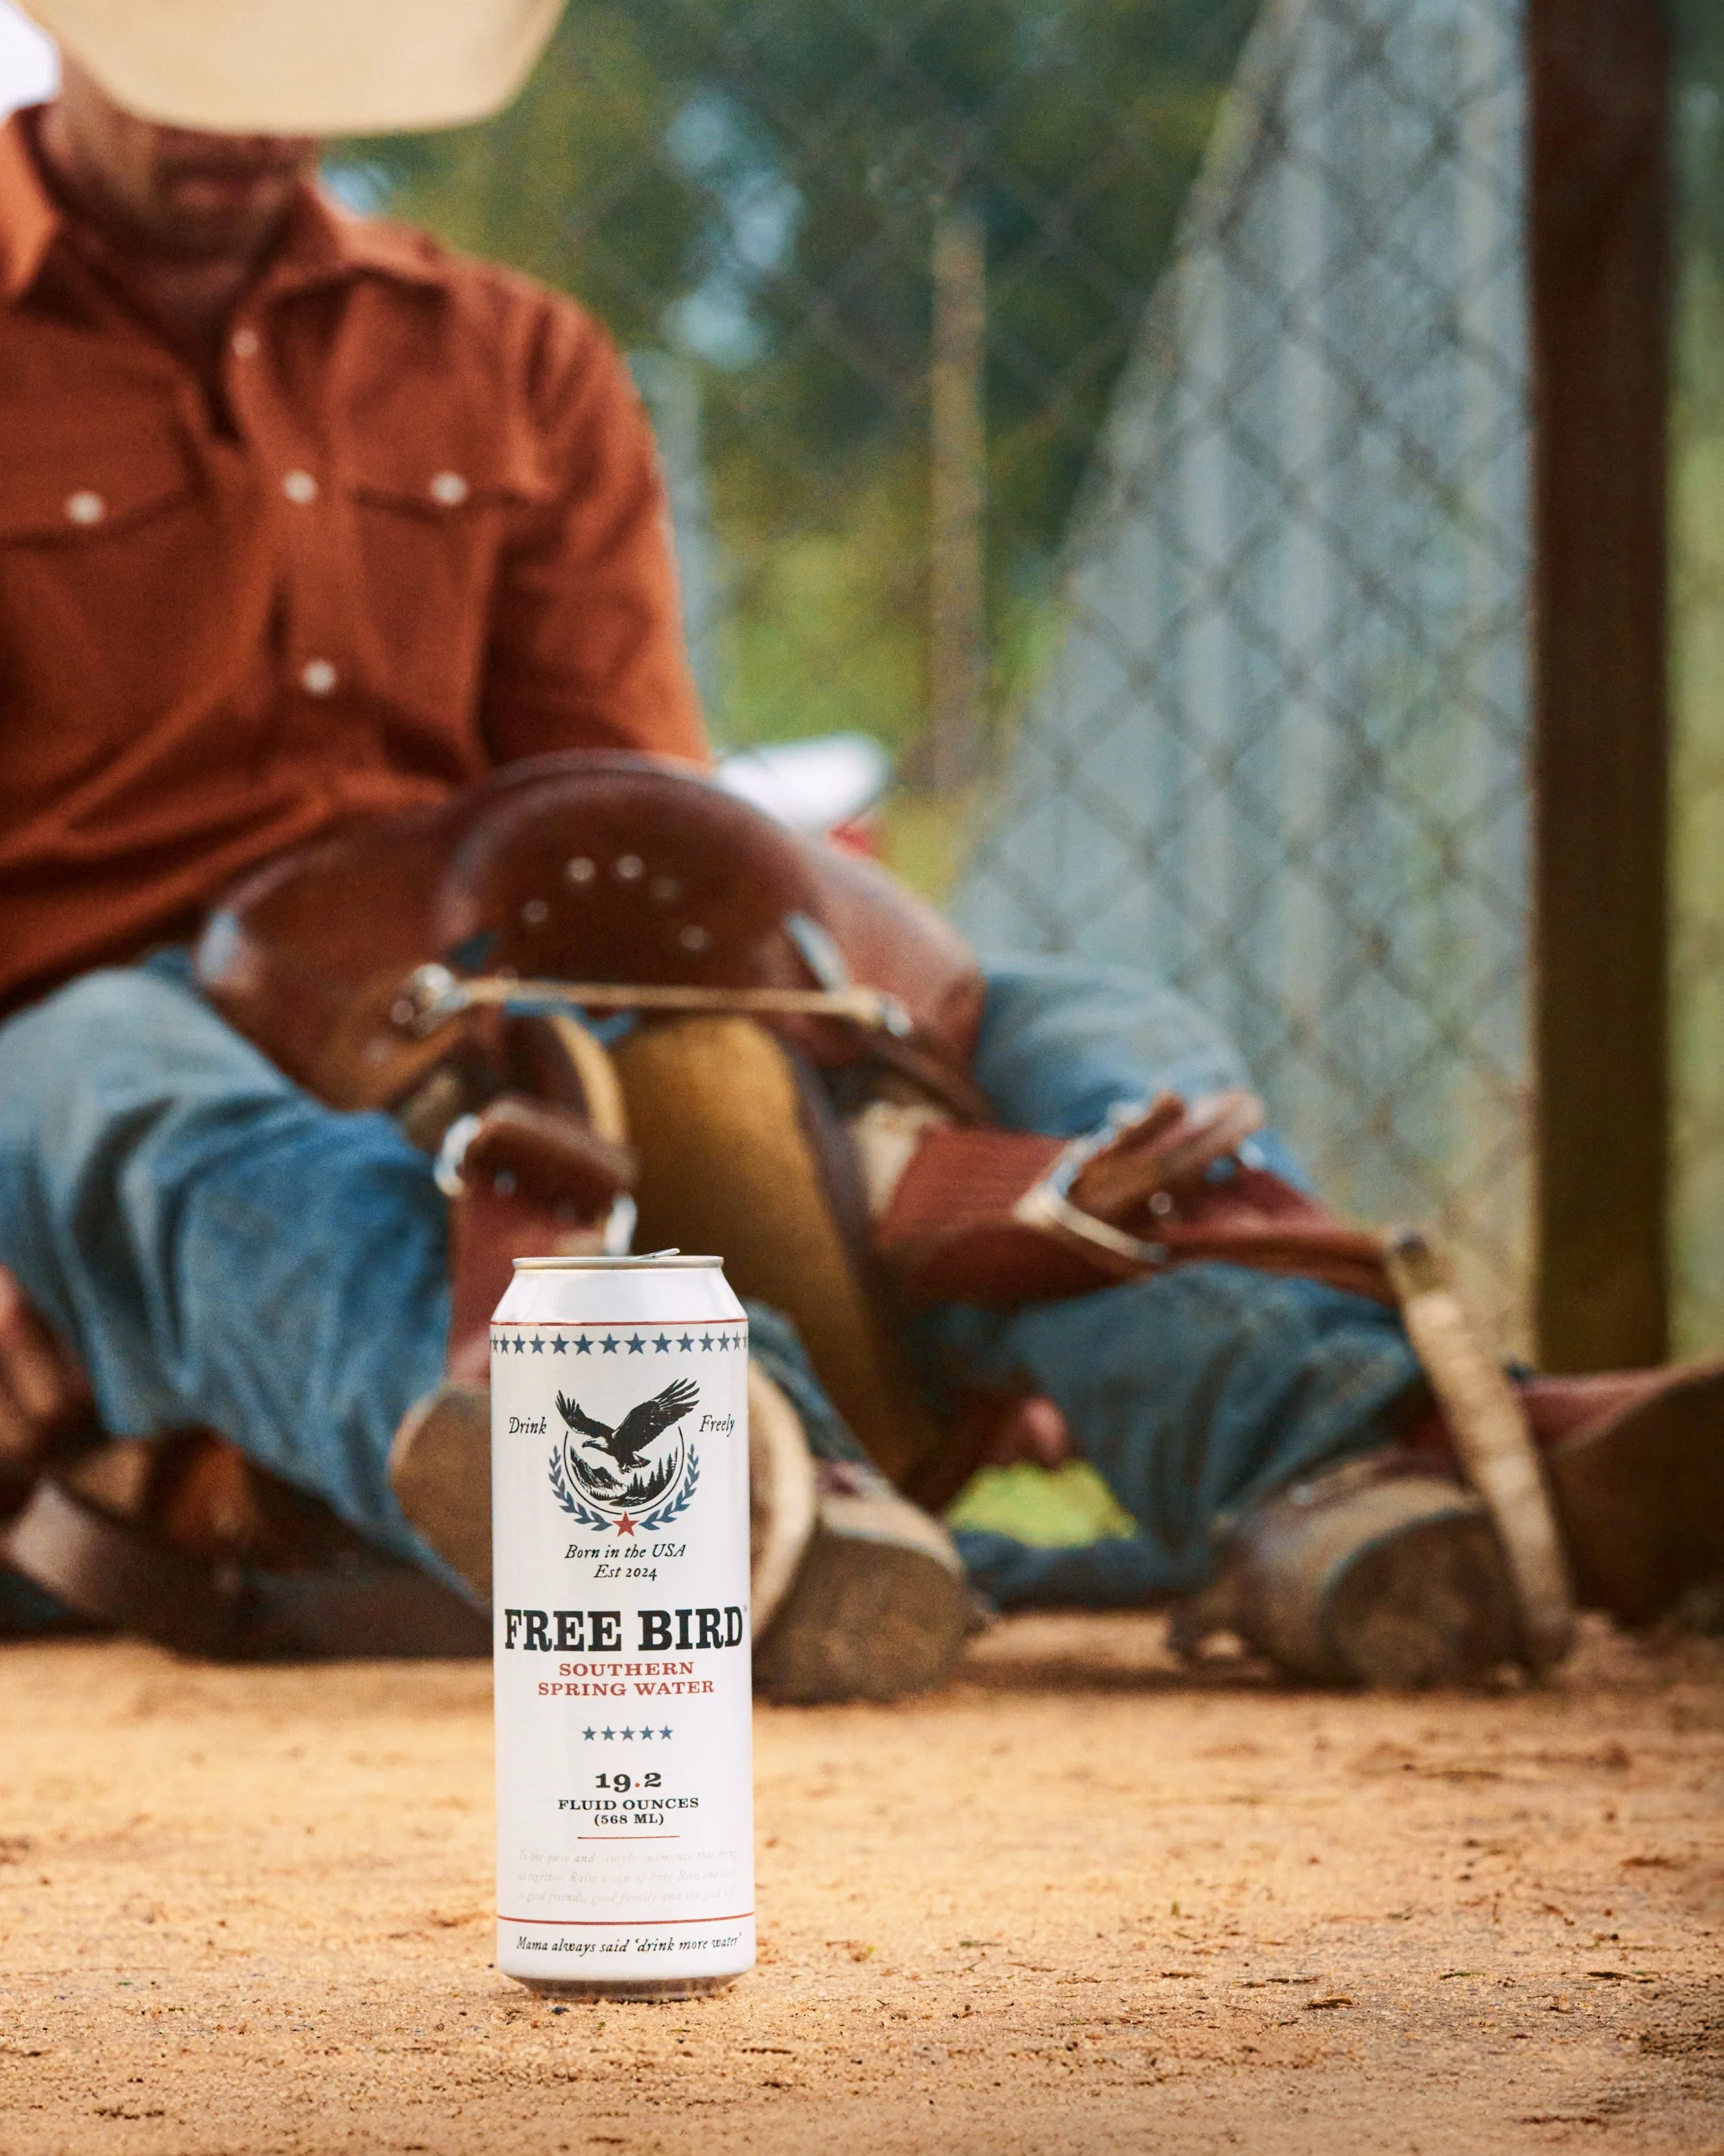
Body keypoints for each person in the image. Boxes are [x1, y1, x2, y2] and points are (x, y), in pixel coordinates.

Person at [0, 0, 1718, 1696]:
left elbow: (613, 807)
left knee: (1054, 1018)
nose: (239, 126)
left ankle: (1354, 1460)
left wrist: (816, 1056)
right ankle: (680, 1470)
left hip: (483, 1003)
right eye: (190, 75)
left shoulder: (513, 364)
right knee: (101, 1068)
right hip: (93, 1034)